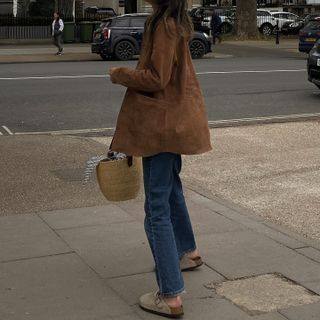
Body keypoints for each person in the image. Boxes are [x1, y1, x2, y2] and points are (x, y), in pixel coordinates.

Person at [109, 0, 212, 317]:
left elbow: (156, 78)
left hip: (161, 127)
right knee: (171, 190)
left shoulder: (162, 25)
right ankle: (188, 252)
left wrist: (121, 74)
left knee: (155, 209)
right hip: (176, 123)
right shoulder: (175, 20)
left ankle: (170, 295)